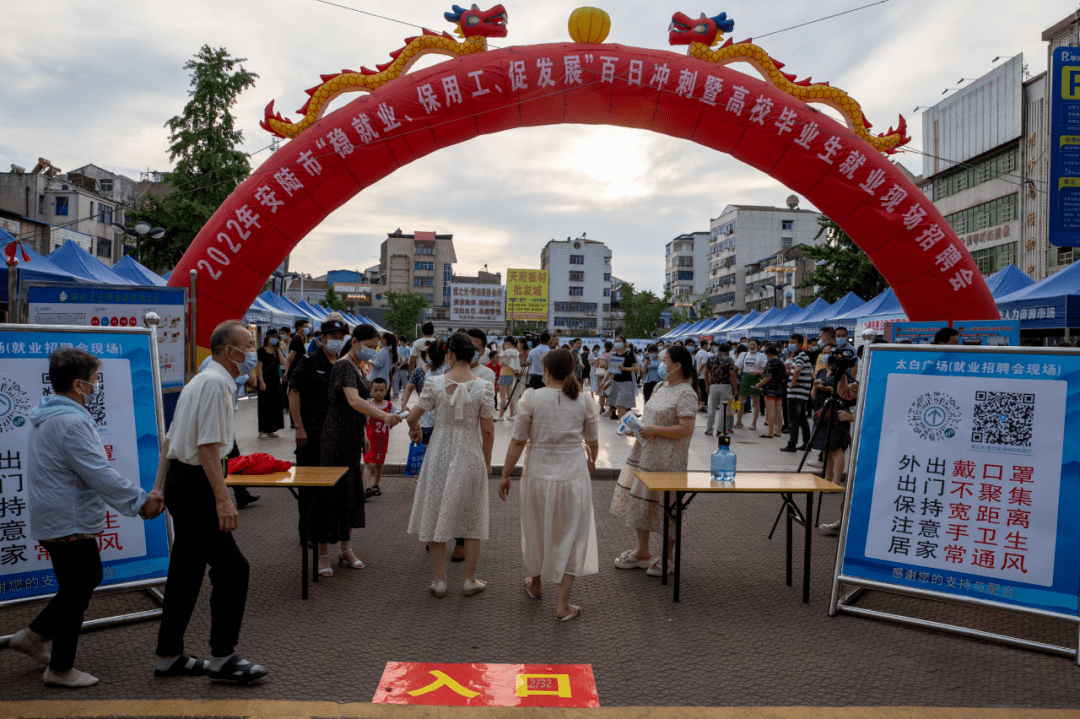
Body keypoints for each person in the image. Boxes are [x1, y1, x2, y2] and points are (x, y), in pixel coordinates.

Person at [9, 349, 162, 687]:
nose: (96, 387)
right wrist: (141, 502)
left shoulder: (49, 416)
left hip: (57, 516)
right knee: (77, 590)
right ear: (78, 385)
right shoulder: (70, 421)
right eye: (94, 380)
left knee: (79, 583)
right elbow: (98, 473)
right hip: (68, 520)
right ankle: (60, 669)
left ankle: (32, 637)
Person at [154, 320, 266, 683]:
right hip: (197, 484)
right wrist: (223, 499)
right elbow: (207, 448)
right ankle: (222, 656)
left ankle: (168, 655)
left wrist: (159, 488)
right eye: (248, 345)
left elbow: (169, 441)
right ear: (229, 351)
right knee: (233, 569)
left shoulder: (198, 381)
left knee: (186, 571)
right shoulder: (217, 384)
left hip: (181, 481)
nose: (252, 352)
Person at [498, 349, 599, 621]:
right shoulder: (584, 400)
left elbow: (518, 440)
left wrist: (505, 474)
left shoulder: (532, 398)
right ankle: (562, 604)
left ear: (545, 371)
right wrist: (592, 461)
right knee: (571, 535)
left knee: (537, 529)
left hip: (538, 475)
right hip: (573, 475)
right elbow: (592, 441)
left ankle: (536, 584)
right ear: (572, 370)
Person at [405, 333, 496, 597]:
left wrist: (415, 430)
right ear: (472, 355)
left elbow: (412, 417)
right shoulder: (484, 387)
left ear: (450, 355)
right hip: (470, 453)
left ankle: (441, 581)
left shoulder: (434, 383)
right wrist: (487, 462)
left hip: (439, 453)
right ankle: (470, 580)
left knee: (435, 511)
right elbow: (488, 430)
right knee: (473, 515)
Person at [313, 324, 402, 576]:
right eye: (370, 346)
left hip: (352, 438)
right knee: (330, 496)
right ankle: (322, 555)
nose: (372, 351)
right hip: (336, 439)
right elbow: (353, 400)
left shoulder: (358, 367)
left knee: (350, 495)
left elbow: (355, 406)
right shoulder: (343, 366)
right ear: (354, 342)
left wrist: (363, 432)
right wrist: (383, 415)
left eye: (375, 347)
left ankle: (346, 549)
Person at [610, 346, 698, 577]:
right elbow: (651, 418)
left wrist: (654, 430)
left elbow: (686, 429)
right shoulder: (660, 386)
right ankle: (643, 552)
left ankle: (667, 556)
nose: (660, 364)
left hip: (669, 460)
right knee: (642, 503)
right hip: (645, 455)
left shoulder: (686, 393)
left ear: (677, 366)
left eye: (664, 360)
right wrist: (638, 428)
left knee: (668, 507)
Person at [809, 344, 857, 485]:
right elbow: (813, 396)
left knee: (836, 447)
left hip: (838, 411)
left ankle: (836, 481)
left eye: (830, 353)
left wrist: (832, 390)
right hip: (822, 412)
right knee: (825, 448)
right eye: (824, 353)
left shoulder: (843, 372)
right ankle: (827, 478)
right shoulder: (821, 372)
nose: (827, 355)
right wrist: (815, 387)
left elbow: (847, 395)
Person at [363, 378, 396, 498]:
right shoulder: (368, 406)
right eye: (375, 390)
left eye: (381, 390)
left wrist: (403, 414)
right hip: (370, 440)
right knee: (369, 464)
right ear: (371, 391)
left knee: (379, 465)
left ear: (386, 391)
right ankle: (367, 487)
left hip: (382, 441)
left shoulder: (390, 406)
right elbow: (362, 421)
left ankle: (376, 485)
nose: (378, 393)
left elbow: (396, 416)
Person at [781, 334, 813, 453]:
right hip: (801, 393)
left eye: (793, 342)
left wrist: (792, 383)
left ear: (800, 344)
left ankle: (792, 444)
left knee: (793, 419)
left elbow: (798, 369)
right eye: (790, 342)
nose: (791, 345)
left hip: (796, 393)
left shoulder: (800, 356)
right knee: (802, 419)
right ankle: (806, 443)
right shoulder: (800, 356)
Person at [255, 329, 286, 439]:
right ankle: (262, 431)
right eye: (273, 336)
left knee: (275, 405)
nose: (275, 339)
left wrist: (278, 350)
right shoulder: (261, 350)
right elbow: (259, 367)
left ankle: (271, 430)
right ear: (267, 338)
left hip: (275, 380)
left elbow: (283, 362)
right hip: (265, 380)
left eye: (277, 337)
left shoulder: (276, 350)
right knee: (264, 406)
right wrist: (261, 382)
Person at [704, 341, 738, 436]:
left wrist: (707, 385)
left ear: (718, 349)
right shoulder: (729, 360)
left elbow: (706, 372)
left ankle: (709, 430)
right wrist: (735, 389)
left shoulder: (710, 358)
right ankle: (720, 430)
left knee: (711, 408)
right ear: (728, 351)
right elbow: (732, 375)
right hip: (725, 386)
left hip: (713, 386)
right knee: (723, 409)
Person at [755, 345, 787, 438]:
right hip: (779, 390)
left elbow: (768, 376)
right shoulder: (781, 363)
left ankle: (770, 432)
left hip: (769, 390)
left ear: (769, 353)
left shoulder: (770, 362)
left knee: (770, 411)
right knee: (779, 412)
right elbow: (784, 378)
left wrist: (759, 384)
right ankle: (778, 431)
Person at [735, 339, 765, 430]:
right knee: (739, 401)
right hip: (745, 377)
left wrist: (759, 372)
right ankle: (738, 421)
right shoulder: (743, 354)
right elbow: (737, 366)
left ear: (758, 346)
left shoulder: (762, 356)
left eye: (754, 344)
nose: (752, 346)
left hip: (756, 378)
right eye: (750, 344)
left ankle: (753, 423)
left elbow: (764, 370)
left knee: (756, 402)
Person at [607, 335, 639, 420]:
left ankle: (624, 423)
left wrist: (625, 368)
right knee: (619, 406)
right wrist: (604, 380)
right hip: (615, 382)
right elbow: (610, 369)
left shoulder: (629, 353)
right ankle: (625, 423)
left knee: (620, 404)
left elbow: (636, 368)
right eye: (616, 341)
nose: (617, 343)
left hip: (626, 382)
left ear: (624, 343)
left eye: (619, 341)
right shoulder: (614, 354)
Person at [496, 336, 520, 421]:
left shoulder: (508, 351)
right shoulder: (516, 351)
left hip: (504, 374)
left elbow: (499, 357)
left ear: (509, 342)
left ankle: (500, 416)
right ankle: (511, 415)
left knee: (502, 396)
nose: (505, 345)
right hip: (510, 374)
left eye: (505, 343)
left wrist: (497, 350)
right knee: (510, 396)